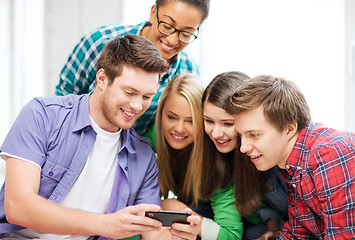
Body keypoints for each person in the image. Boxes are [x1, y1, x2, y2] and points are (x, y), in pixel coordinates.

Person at [0, 35, 201, 240]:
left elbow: (152, 234)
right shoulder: (43, 116)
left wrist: (184, 234)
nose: (137, 106)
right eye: (130, 92)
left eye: (147, 97)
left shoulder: (143, 156)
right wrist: (104, 224)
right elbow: (18, 206)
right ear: (102, 79)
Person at [226, 75, 355, 239]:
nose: (243, 147)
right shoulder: (293, 166)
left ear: (289, 129)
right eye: (241, 135)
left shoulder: (327, 156)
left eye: (254, 135)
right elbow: (298, 233)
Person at [56, 0, 210, 136]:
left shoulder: (187, 72)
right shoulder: (100, 41)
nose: (172, 39)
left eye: (186, 34)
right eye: (167, 26)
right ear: (153, 13)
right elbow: (64, 96)